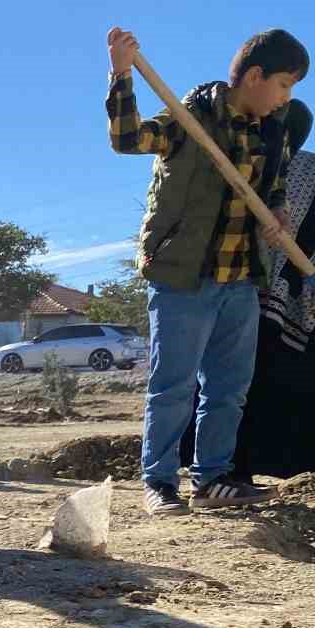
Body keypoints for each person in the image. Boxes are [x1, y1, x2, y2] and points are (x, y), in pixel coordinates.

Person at [107, 26, 307, 516]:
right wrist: (121, 74)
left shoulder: (273, 131)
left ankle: (213, 479)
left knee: (228, 388)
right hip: (184, 275)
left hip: (241, 277)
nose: (287, 96)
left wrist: (277, 217)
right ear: (255, 76)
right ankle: (159, 483)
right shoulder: (187, 118)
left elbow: (274, 192)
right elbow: (128, 139)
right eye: (284, 84)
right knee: (173, 385)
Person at [179, 99, 315, 480]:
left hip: (234, 288)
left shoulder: (245, 166)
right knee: (250, 385)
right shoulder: (261, 168)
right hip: (280, 296)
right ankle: (233, 470)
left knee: (221, 381)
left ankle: (212, 464)